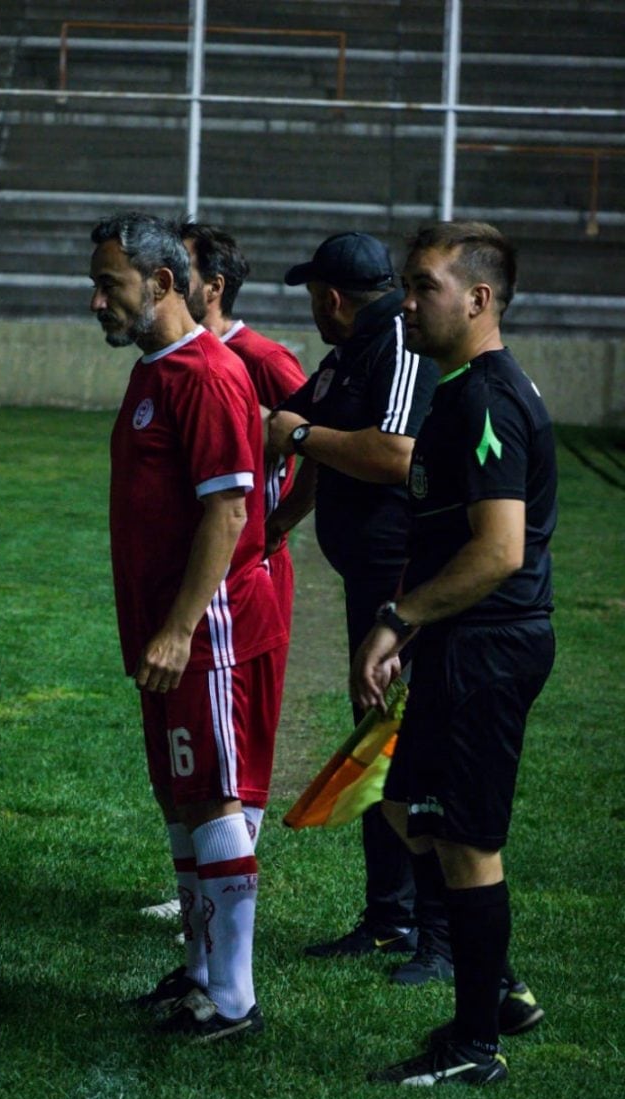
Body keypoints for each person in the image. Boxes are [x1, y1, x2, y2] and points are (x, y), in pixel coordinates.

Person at [352, 221, 557, 1085]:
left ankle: (475, 1044)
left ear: (477, 299)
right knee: (413, 810)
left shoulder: (485, 399)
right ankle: (494, 980)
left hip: (488, 647)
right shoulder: (461, 387)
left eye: (423, 286)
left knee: (467, 840)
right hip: (460, 642)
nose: (406, 302)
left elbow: (500, 548)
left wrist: (400, 616)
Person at [89, 211, 288, 1041]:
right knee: (180, 796)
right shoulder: (155, 370)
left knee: (213, 796)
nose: (95, 301)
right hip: (164, 632)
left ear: (162, 283)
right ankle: (201, 972)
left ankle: (234, 998)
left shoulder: (208, 375)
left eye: (110, 285)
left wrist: (175, 631)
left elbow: (227, 512)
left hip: (206, 633)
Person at [265, 231, 442, 978]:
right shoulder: (347, 356)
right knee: (377, 746)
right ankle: (388, 919)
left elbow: (396, 454)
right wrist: (270, 530)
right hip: (370, 585)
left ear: (332, 298)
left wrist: (299, 431)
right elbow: (311, 445)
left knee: (409, 751)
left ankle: (432, 932)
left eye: (313, 298)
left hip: (405, 589)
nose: (314, 311)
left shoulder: (397, 345)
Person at [179, 220, 306, 630]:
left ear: (214, 288)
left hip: (254, 563)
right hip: (206, 555)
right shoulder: (188, 359)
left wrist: (279, 524)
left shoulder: (264, 360)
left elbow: (321, 444)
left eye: (182, 272)